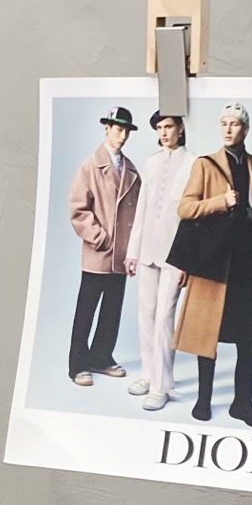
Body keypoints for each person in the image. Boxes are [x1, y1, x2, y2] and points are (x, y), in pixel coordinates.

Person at [172, 103, 252, 429]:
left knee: (250, 334)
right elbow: (185, 208)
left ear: (246, 129)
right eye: (224, 123)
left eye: (235, 124)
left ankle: (243, 404)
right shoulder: (205, 164)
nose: (228, 129)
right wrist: (221, 202)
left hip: (247, 262)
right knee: (208, 330)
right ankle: (204, 400)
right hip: (213, 260)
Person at [68, 106, 141, 386]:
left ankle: (101, 357)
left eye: (126, 131)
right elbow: (78, 210)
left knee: (112, 310)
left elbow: (139, 213)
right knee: (86, 310)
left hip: (121, 255)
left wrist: (132, 249)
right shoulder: (90, 166)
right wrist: (101, 238)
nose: (122, 136)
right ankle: (77, 365)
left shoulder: (131, 169)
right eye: (118, 129)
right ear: (107, 129)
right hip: (98, 252)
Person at [123, 111, 190, 411]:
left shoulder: (194, 163)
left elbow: (193, 220)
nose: (163, 132)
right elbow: (142, 209)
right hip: (148, 249)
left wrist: (188, 261)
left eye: (168, 126)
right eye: (159, 128)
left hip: (176, 254)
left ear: (181, 128)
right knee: (146, 315)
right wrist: (133, 251)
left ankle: (161, 386)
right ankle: (148, 375)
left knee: (164, 318)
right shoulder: (150, 162)